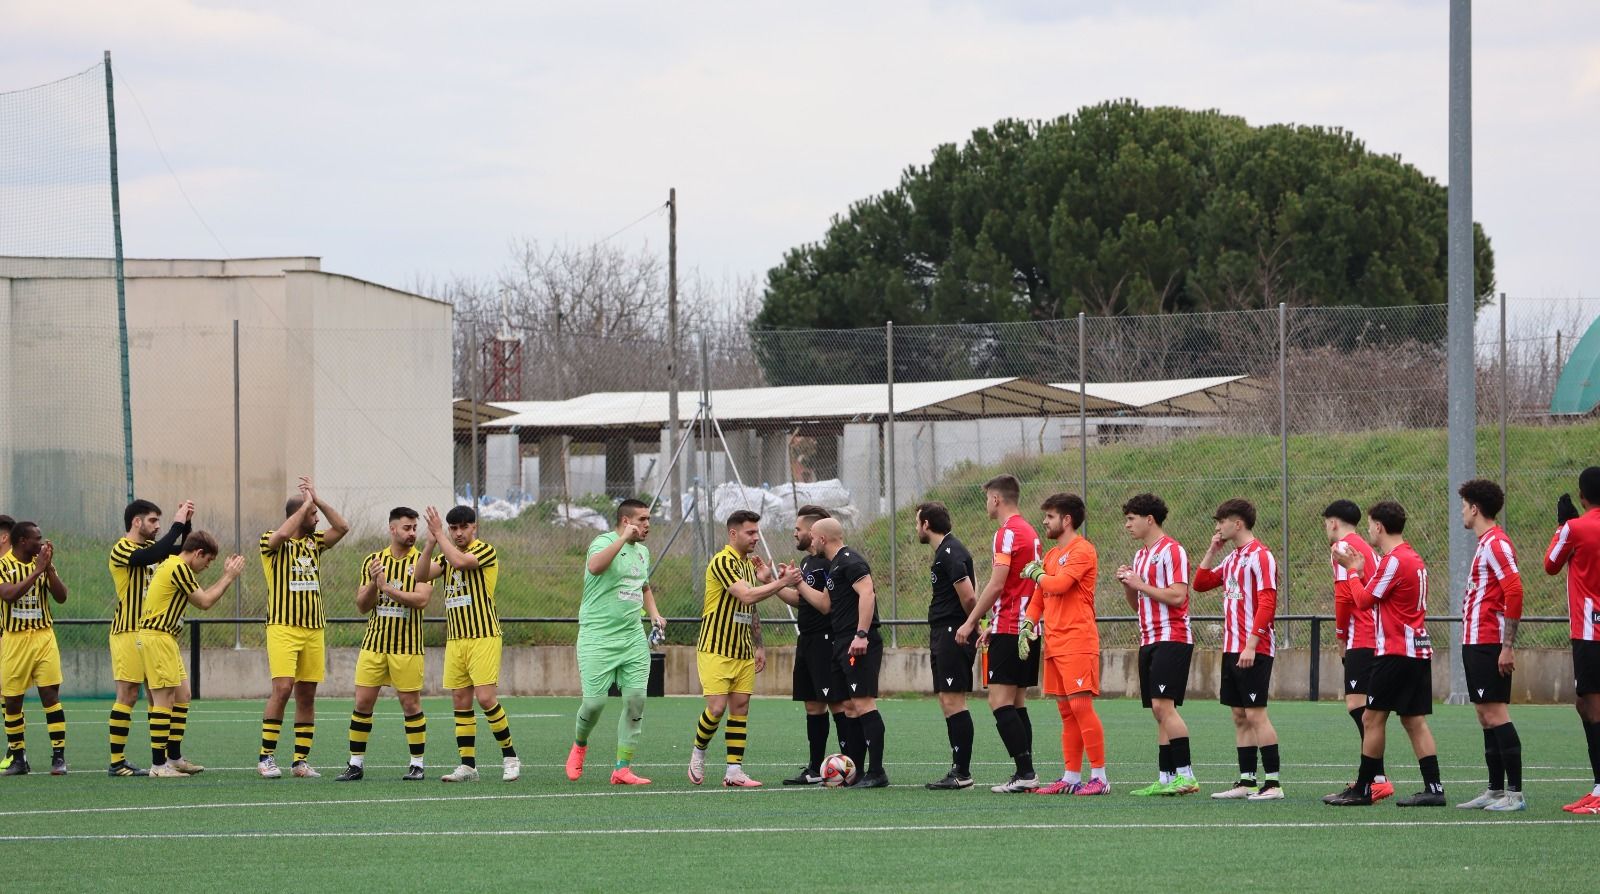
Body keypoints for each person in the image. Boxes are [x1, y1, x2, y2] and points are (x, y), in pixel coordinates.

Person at [1327, 500, 1447, 807]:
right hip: (1416, 650)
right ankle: (1434, 789)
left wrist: (1353, 573)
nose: (1368, 530)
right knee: (1413, 720)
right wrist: (1364, 573)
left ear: (1379, 526)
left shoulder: (1395, 560)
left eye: (1369, 525)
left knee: (1371, 718)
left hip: (1395, 651)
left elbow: (1364, 601)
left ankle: (1366, 788)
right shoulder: (1413, 558)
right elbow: (1384, 597)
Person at [687, 509, 797, 788]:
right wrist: (779, 582)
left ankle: (734, 771)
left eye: (757, 532)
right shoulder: (723, 561)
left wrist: (759, 645)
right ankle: (698, 752)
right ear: (733, 534)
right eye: (750, 532)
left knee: (740, 708)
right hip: (716, 648)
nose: (756, 537)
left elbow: (751, 607)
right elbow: (746, 595)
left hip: (743, 650)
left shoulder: (749, 564)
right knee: (716, 708)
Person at [567, 499, 667, 786]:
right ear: (626, 521)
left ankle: (622, 768)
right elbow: (595, 567)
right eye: (643, 519)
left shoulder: (643, 553)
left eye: (649, 519)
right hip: (597, 636)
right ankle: (580, 745)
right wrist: (623, 539)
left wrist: (655, 614)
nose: (648, 525)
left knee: (636, 700)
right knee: (594, 703)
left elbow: (644, 587)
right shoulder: (603, 542)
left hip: (632, 637)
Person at [417, 505, 519, 783]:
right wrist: (429, 544)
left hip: (483, 635)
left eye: (463, 527)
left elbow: (461, 562)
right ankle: (468, 765)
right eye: (453, 528)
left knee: (485, 698)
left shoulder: (485, 550)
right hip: (456, 638)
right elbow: (420, 575)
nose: (459, 533)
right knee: (461, 702)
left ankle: (510, 757)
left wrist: (440, 535)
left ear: (474, 527)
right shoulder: (445, 553)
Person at [257, 477, 350, 779]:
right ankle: (266, 756)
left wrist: (318, 500)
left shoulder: (315, 543)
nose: (317, 519)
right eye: (313, 515)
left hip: (314, 629)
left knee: (307, 694)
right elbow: (281, 535)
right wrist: (303, 508)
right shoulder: (271, 541)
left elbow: (343, 528)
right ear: (298, 515)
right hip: (283, 627)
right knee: (282, 689)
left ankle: (300, 761)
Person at [956, 474, 1042, 793]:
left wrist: (972, 621)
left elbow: (997, 583)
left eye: (986, 498)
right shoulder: (1031, 532)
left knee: (999, 701)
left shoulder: (1006, 533)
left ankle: (1025, 772)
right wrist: (994, 622)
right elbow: (1024, 585)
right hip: (1027, 625)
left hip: (1012, 626)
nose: (986, 504)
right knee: (1017, 702)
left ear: (996, 499)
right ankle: (1026, 771)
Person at [1192, 499, 1284, 801]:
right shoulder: (1232, 559)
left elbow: (1268, 603)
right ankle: (1247, 780)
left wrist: (1252, 644)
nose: (1218, 527)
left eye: (1221, 522)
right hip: (1231, 648)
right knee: (1239, 715)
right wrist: (1212, 551)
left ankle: (1273, 783)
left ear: (1238, 524)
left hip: (1253, 648)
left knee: (1257, 715)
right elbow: (1201, 583)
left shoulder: (1261, 556)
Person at [336, 507, 433, 782]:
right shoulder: (373, 560)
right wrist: (373, 584)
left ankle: (417, 764)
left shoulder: (423, 562)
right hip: (374, 645)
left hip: (407, 647)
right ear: (392, 529)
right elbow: (362, 606)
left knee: (410, 705)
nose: (412, 533)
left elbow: (421, 600)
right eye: (407, 527)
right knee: (362, 703)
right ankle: (355, 764)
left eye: (415, 527)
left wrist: (388, 588)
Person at [137, 532, 245, 777]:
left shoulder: (174, 566)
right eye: (207, 561)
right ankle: (158, 765)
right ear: (198, 553)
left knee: (182, 695)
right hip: (157, 637)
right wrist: (229, 576)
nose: (207, 567)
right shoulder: (179, 567)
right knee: (163, 700)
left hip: (164, 638)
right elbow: (205, 601)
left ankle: (173, 758)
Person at [1116, 493, 1200, 797]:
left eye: (1131, 518)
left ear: (1149, 519)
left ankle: (1186, 775)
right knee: (1158, 710)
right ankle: (1166, 777)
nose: (1127, 525)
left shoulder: (1172, 550)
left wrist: (1140, 585)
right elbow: (1138, 605)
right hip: (1148, 638)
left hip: (1172, 637)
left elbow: (1178, 596)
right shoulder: (1140, 556)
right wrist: (1129, 585)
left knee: (1164, 707)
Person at [1023, 493, 1106, 795]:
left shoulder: (1082, 550)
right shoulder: (1050, 555)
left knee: (1081, 706)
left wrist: (1039, 574)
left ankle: (1099, 777)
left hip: (1077, 639)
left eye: (1049, 516)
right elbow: (1039, 598)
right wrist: (1027, 624)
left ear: (1066, 520)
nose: (1044, 521)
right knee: (1066, 712)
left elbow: (1057, 585)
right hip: (1054, 643)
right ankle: (1071, 776)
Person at [107, 498, 194, 777]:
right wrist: (176, 524)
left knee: (170, 696)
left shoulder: (152, 548)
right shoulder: (122, 548)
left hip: (155, 633)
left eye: (160, 521)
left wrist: (186, 523)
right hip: (128, 630)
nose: (157, 526)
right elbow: (147, 558)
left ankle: (170, 759)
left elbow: (186, 551)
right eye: (153, 520)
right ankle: (117, 762)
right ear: (136, 521)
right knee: (129, 694)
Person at [1454, 479, 1526, 811]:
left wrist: (1507, 645)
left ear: (1475, 508)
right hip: (1475, 642)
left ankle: (1515, 794)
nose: (1462, 511)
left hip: (1489, 641)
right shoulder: (1485, 544)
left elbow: (1515, 590)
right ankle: (1495, 790)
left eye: (1464, 505)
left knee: (1496, 713)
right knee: (1485, 715)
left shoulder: (1497, 544)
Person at [1321, 500, 1393, 803]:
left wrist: (1340, 637)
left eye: (1326, 523)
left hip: (1361, 636)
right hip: (1375, 633)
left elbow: (1343, 597)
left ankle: (1376, 778)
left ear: (1334, 523)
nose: (1326, 528)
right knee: (1365, 709)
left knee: (1358, 707)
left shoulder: (1342, 549)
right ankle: (1373, 777)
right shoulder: (1366, 547)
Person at [775, 505, 849, 786]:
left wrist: (797, 584)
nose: (795, 533)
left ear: (815, 532)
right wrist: (775, 583)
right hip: (805, 641)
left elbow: (825, 606)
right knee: (812, 706)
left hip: (825, 642)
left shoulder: (831, 562)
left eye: (799, 529)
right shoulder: (807, 563)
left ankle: (848, 765)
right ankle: (815, 768)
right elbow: (801, 600)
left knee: (836, 703)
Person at [812, 517, 889, 788]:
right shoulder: (834, 566)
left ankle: (877, 772)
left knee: (864, 703)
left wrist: (861, 634)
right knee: (849, 707)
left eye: (812, 537)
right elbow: (824, 604)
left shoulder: (850, 560)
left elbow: (867, 593)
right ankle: (853, 771)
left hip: (857, 640)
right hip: (841, 640)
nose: (810, 542)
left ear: (822, 539)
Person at [1544, 466, 1600, 814]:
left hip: (1591, 631)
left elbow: (1550, 564)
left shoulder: (1575, 529)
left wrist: (1563, 525)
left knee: (1593, 706)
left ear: (1582, 496)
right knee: (1585, 704)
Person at [917, 502, 980, 790]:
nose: (916, 528)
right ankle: (957, 769)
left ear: (926, 524)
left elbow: (968, 598)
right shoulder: (944, 552)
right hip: (945, 632)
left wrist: (971, 626)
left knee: (954, 700)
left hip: (954, 633)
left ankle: (962, 773)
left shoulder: (950, 552)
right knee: (947, 700)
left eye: (918, 522)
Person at [0, 522, 69, 776]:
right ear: (21, 541)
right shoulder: (3, 565)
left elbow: (61, 596)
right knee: (13, 700)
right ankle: (19, 758)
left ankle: (59, 756)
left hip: (43, 637)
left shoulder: (43, 564)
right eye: (36, 539)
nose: (41, 543)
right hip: (15, 640)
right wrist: (36, 572)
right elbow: (8, 595)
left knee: (51, 695)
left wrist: (48, 569)